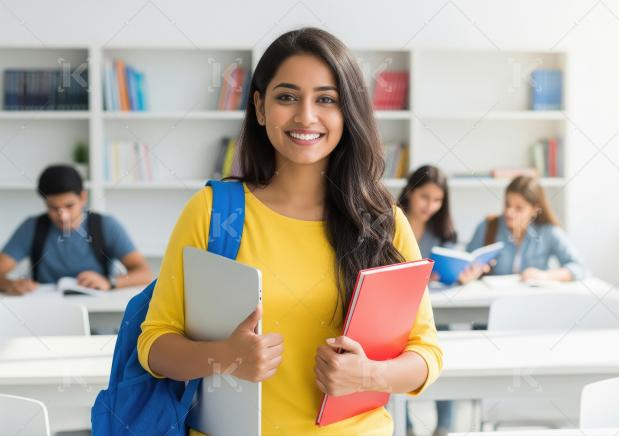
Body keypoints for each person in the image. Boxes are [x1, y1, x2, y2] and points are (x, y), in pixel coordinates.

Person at [138, 28, 442, 435]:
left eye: (326, 99)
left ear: (347, 111)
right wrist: (224, 357)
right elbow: (155, 345)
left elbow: (426, 354)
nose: (305, 116)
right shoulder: (211, 212)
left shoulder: (382, 220)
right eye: (286, 97)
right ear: (260, 107)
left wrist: (368, 376)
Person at [0, 164, 153, 294]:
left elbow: (145, 273)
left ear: (83, 198)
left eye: (69, 206)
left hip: (98, 313)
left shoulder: (106, 225)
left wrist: (109, 282)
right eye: (54, 208)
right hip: (46, 313)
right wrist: (10, 285)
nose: (63, 216)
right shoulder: (31, 227)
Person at [397, 165, 456, 436]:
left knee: (442, 353)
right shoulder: (392, 223)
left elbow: (451, 268)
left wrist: (461, 275)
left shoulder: (443, 231)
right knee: (399, 357)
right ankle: (406, 426)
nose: (430, 206)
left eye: (437, 200)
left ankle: (443, 426)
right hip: (401, 312)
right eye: (425, 197)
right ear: (410, 192)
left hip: (437, 312)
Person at [462, 175, 587, 284]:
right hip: (493, 303)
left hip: (536, 303)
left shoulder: (548, 232)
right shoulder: (487, 227)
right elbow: (463, 267)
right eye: (507, 204)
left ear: (534, 209)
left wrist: (545, 276)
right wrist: (469, 274)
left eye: (518, 208)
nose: (509, 212)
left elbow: (580, 268)